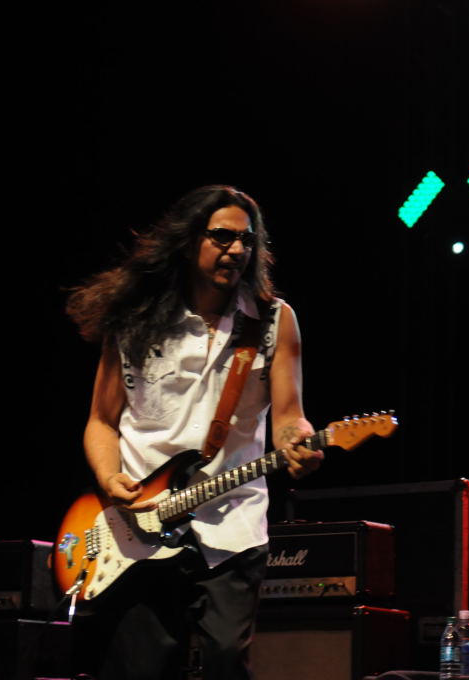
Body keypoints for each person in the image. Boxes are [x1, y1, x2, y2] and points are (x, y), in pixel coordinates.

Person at [66, 185, 323, 679]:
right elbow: (102, 420)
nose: (236, 249)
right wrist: (109, 477)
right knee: (143, 667)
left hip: (232, 520)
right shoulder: (135, 319)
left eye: (247, 240)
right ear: (188, 242)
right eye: (222, 237)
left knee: (226, 659)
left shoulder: (273, 321)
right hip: (141, 524)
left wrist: (298, 441)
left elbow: (290, 415)